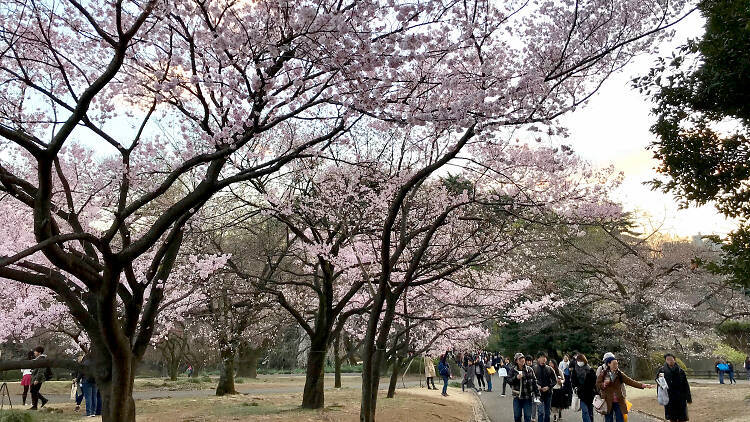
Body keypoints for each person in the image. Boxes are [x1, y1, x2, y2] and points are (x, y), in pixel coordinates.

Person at [596, 356, 654, 422]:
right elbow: (597, 384)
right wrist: (604, 384)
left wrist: (643, 385)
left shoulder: (619, 374)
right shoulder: (603, 373)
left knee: (620, 419)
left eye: (617, 364)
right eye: (614, 364)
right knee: (608, 419)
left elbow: (630, 381)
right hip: (607, 401)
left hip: (618, 401)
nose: (616, 365)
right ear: (608, 364)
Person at [656, 353, 692, 422]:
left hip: (680, 397)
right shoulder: (662, 370)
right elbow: (658, 382)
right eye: (667, 359)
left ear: (674, 360)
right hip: (669, 397)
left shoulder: (680, 371)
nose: (670, 361)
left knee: (682, 418)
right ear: (666, 361)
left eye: (671, 359)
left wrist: (688, 398)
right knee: (672, 418)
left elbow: (685, 385)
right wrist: (660, 381)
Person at [571, 354, 597, 422]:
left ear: (584, 360)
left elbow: (594, 381)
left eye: (581, 360)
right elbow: (573, 380)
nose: (579, 362)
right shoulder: (575, 370)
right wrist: (576, 387)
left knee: (590, 412)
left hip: (590, 393)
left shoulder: (590, 370)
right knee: (585, 411)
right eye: (578, 360)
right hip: (581, 393)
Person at [534, 353, 557, 422]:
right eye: (541, 357)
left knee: (547, 412)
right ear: (538, 359)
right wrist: (536, 386)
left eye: (544, 357)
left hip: (548, 393)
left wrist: (548, 387)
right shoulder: (534, 368)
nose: (543, 359)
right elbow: (531, 380)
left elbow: (554, 380)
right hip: (538, 394)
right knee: (540, 412)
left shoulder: (549, 369)